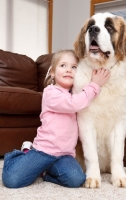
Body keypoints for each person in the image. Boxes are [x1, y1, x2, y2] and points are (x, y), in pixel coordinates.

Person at [2, 49, 110, 189]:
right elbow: (74, 103)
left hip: (64, 155)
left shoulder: (76, 95)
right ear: (52, 72)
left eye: (74, 67)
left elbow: (80, 101)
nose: (68, 70)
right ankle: (23, 153)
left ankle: (45, 172)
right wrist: (95, 85)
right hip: (43, 151)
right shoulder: (51, 93)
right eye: (63, 65)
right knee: (12, 180)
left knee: (76, 179)